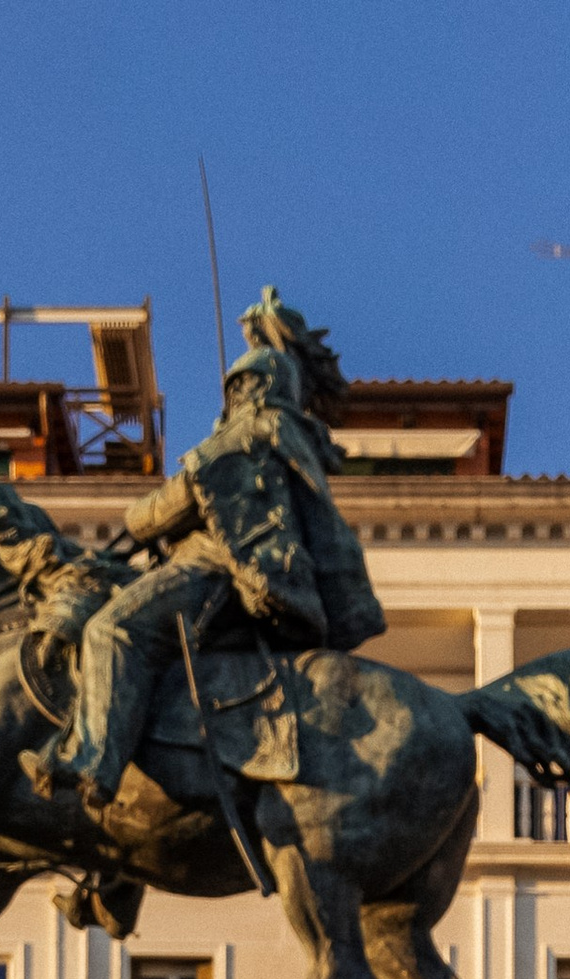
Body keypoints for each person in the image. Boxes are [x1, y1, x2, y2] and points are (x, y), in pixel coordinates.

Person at [28, 289, 382, 812]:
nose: (231, 400)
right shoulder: (290, 436)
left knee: (110, 629)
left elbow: (158, 512)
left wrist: (143, 512)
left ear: (251, 389)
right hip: (267, 592)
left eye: (236, 388)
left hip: (213, 571)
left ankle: (92, 762)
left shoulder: (242, 437)